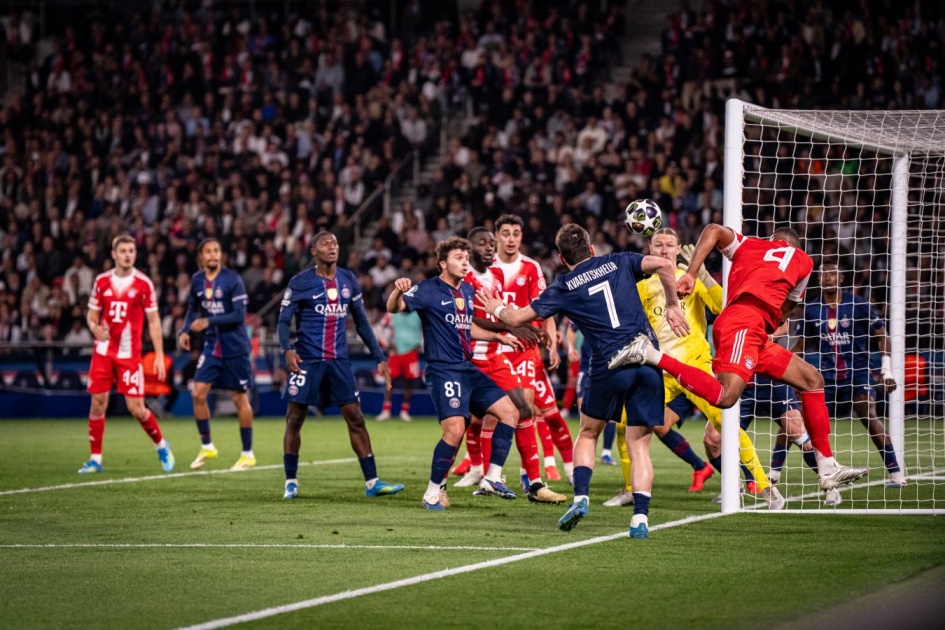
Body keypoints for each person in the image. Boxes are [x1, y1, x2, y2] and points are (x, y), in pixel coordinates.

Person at [610, 224, 868, 492]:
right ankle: (651, 354)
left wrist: (691, 273)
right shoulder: (804, 262)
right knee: (726, 397)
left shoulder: (751, 244)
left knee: (812, 379)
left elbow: (712, 229)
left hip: (750, 329)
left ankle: (827, 467)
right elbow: (786, 311)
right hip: (744, 324)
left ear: (771, 239)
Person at [479, 223, 690, 538]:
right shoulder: (619, 260)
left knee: (589, 433)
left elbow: (516, 318)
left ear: (562, 258)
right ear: (592, 249)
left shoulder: (563, 286)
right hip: (647, 359)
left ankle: (580, 499)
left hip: (610, 364)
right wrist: (672, 306)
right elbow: (664, 264)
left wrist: (495, 306)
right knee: (639, 445)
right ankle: (640, 519)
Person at [605, 231, 782, 510]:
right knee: (624, 423)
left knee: (726, 423)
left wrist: (704, 276)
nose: (664, 250)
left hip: (695, 364)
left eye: (669, 245)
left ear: (678, 249)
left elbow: (722, 306)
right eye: (658, 245)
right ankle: (630, 489)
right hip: (659, 369)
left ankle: (765, 487)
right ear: (650, 248)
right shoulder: (642, 285)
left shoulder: (690, 278)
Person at [387, 236, 525, 510]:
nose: (465, 263)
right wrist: (397, 291)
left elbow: (466, 327)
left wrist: (498, 337)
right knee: (455, 431)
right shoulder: (427, 289)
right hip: (443, 370)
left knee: (511, 412)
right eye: (459, 258)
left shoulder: (467, 292)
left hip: (467, 369)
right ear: (443, 263)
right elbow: (395, 308)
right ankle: (432, 493)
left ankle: (492, 477)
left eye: (466, 258)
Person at [277, 231, 404, 500]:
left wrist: (379, 357)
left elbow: (361, 323)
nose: (332, 247)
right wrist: (286, 349)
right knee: (295, 418)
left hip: (338, 361)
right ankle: (291, 481)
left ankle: (372, 482)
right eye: (325, 244)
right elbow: (283, 320)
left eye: (335, 243)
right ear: (314, 251)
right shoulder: (300, 282)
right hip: (306, 360)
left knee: (355, 417)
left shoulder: (348, 279)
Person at [457, 227, 565, 504]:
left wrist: (524, 326)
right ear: (469, 249)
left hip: (495, 357)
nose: (489, 247)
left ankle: (533, 484)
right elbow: (468, 318)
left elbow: (501, 312)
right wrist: (509, 328)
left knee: (523, 410)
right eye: (482, 243)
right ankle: (442, 484)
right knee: (460, 424)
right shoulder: (463, 278)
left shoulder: (496, 275)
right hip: (469, 359)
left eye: (491, 243)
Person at [793, 261, 905, 487]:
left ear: (842, 278)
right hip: (826, 375)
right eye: (823, 274)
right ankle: (783, 473)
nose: (827, 277)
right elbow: (800, 346)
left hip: (858, 371)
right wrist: (786, 370)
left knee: (867, 412)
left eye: (832, 273)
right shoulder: (811, 310)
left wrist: (886, 370)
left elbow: (882, 335)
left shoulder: (858, 305)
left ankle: (896, 474)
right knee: (802, 420)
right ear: (818, 280)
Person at [78, 235, 174, 474]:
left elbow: (154, 321)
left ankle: (161, 445)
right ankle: (95, 460)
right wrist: (93, 327)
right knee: (98, 403)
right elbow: (92, 315)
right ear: (114, 254)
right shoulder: (102, 281)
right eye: (123, 251)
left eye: (131, 250)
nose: (127, 255)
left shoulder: (143, 284)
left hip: (129, 355)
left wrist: (159, 355)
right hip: (103, 352)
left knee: (137, 409)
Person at [491, 214, 575, 485]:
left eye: (516, 233)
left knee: (528, 408)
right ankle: (485, 473)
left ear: (521, 237)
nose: (511, 239)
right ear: (497, 236)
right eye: (506, 233)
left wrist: (552, 344)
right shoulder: (486, 269)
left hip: (525, 349)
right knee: (489, 416)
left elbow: (545, 308)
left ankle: (529, 474)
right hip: (494, 347)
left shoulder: (530, 267)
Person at [178, 238, 256, 471]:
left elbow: (239, 315)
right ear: (201, 257)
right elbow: (192, 307)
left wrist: (208, 321)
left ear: (221, 255)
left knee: (239, 398)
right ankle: (207, 446)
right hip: (212, 347)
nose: (213, 254)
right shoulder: (197, 280)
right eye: (208, 251)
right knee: (198, 393)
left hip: (235, 347)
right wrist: (185, 330)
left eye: (216, 250)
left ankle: (247, 454)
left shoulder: (233, 280)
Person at [374, 308, 422, 422]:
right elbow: (378, 329)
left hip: (412, 352)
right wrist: (386, 344)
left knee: (409, 383)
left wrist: (421, 343)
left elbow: (427, 329)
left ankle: (404, 411)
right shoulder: (392, 314)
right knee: (390, 381)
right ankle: (386, 411)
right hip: (395, 353)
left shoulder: (418, 314)